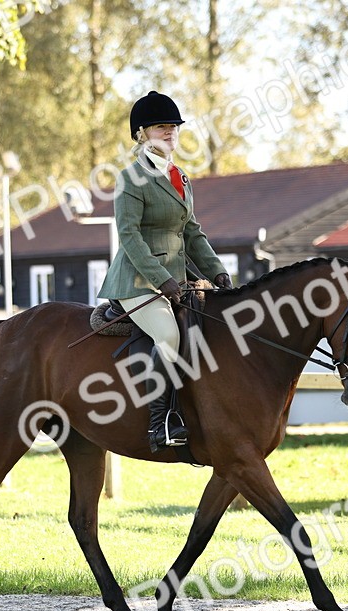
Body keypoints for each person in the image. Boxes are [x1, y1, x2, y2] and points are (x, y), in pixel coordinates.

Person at [97, 90, 234, 452]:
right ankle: (161, 424)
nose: (170, 133)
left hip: (177, 279)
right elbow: (129, 237)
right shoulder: (130, 178)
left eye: (173, 127)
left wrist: (217, 271)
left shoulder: (180, 177)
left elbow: (191, 231)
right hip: (137, 280)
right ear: (142, 133)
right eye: (162, 127)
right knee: (170, 338)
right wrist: (162, 279)